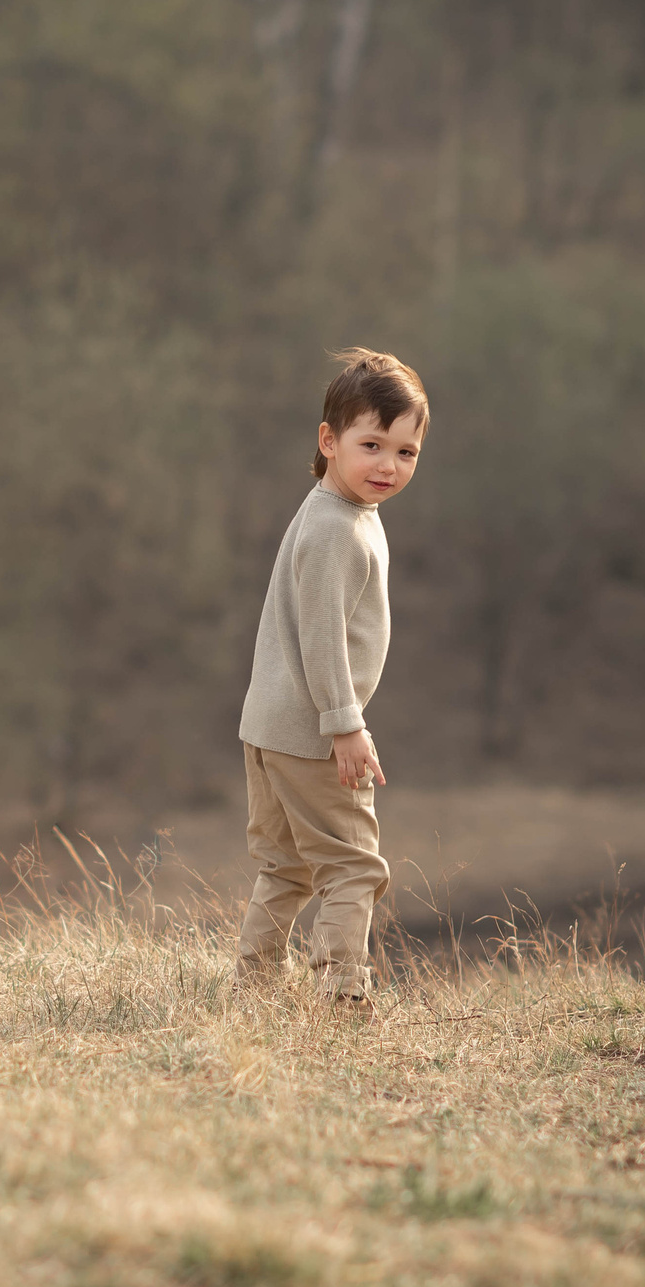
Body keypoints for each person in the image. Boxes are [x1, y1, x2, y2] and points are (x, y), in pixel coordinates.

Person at [234, 348, 429, 1003]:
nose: (388, 465)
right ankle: (343, 994)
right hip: (313, 732)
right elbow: (322, 642)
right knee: (352, 865)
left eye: (406, 452)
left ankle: (254, 987)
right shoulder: (337, 532)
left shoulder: (333, 513)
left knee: (286, 866)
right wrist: (346, 725)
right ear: (329, 440)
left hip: (270, 726)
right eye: (371, 444)